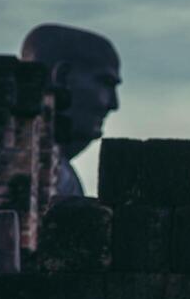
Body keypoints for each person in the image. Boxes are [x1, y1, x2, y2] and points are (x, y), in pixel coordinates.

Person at [19, 23, 121, 198]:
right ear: (62, 78)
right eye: (105, 83)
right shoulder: (39, 175)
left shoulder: (59, 174)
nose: (113, 104)